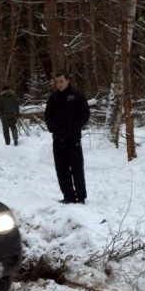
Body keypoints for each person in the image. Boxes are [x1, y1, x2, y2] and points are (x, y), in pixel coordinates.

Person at [44, 70, 90, 204]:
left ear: (68, 80)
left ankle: (80, 197)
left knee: (76, 169)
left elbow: (85, 113)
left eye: (61, 81)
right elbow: (48, 115)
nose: (59, 84)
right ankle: (68, 196)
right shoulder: (53, 97)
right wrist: (52, 127)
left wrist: (75, 127)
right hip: (58, 140)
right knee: (61, 170)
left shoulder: (77, 96)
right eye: (57, 82)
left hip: (73, 139)